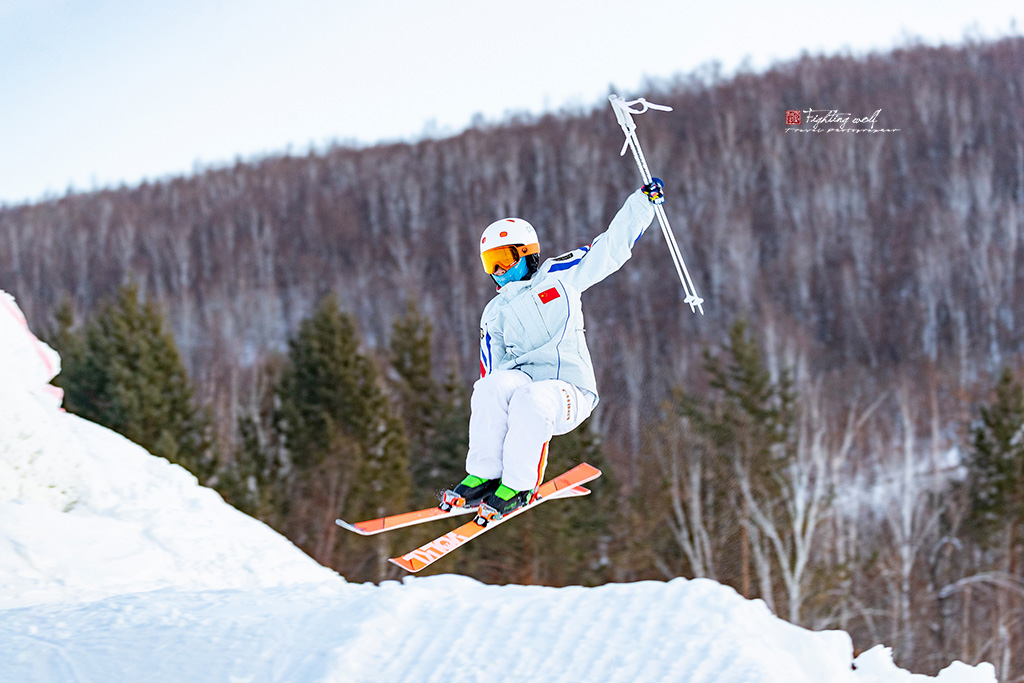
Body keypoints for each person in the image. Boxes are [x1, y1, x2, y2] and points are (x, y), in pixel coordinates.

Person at [440, 179, 666, 522]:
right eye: (490, 264)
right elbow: (493, 377)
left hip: (569, 392)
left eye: (504, 259)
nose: (498, 272)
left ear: (528, 254)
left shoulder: (557, 277)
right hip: (524, 392)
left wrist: (642, 204)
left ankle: (517, 486)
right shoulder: (494, 313)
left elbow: (610, 248)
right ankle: (484, 475)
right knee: (490, 387)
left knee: (533, 397)